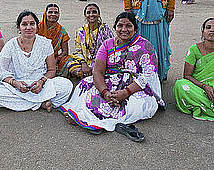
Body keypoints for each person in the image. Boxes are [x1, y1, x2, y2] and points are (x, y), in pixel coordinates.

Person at [60, 12, 165, 141]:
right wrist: (105, 92)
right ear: (115, 28)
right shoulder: (107, 44)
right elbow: (97, 71)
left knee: (143, 105)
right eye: (120, 26)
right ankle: (97, 117)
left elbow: (147, 76)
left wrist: (125, 92)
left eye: (128, 26)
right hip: (110, 82)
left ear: (135, 29)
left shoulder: (146, 47)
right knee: (84, 84)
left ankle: (92, 119)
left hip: (136, 86)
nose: (124, 30)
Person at [0, 10, 73, 112]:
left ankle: (27, 103)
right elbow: (1, 71)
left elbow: (51, 70)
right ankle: (41, 104)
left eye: (32, 24)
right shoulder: (11, 45)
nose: (28, 27)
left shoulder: (45, 43)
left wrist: (41, 82)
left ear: (37, 26)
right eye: (24, 24)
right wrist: (15, 83)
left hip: (40, 85)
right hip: (17, 86)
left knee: (66, 85)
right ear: (19, 27)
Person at [61, 3, 113, 78]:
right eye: (88, 12)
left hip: (101, 62)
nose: (91, 15)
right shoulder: (81, 31)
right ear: (85, 15)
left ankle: (91, 74)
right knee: (69, 64)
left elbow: (110, 50)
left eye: (94, 12)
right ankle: (90, 73)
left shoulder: (105, 30)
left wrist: (98, 63)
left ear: (98, 15)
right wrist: (83, 64)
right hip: (85, 61)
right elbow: (78, 50)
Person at [37, 4, 70, 71]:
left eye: (56, 12)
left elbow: (65, 52)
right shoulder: (37, 28)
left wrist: (56, 60)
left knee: (69, 60)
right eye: (50, 12)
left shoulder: (61, 30)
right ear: (45, 14)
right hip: (36, 58)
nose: (53, 14)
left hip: (53, 59)